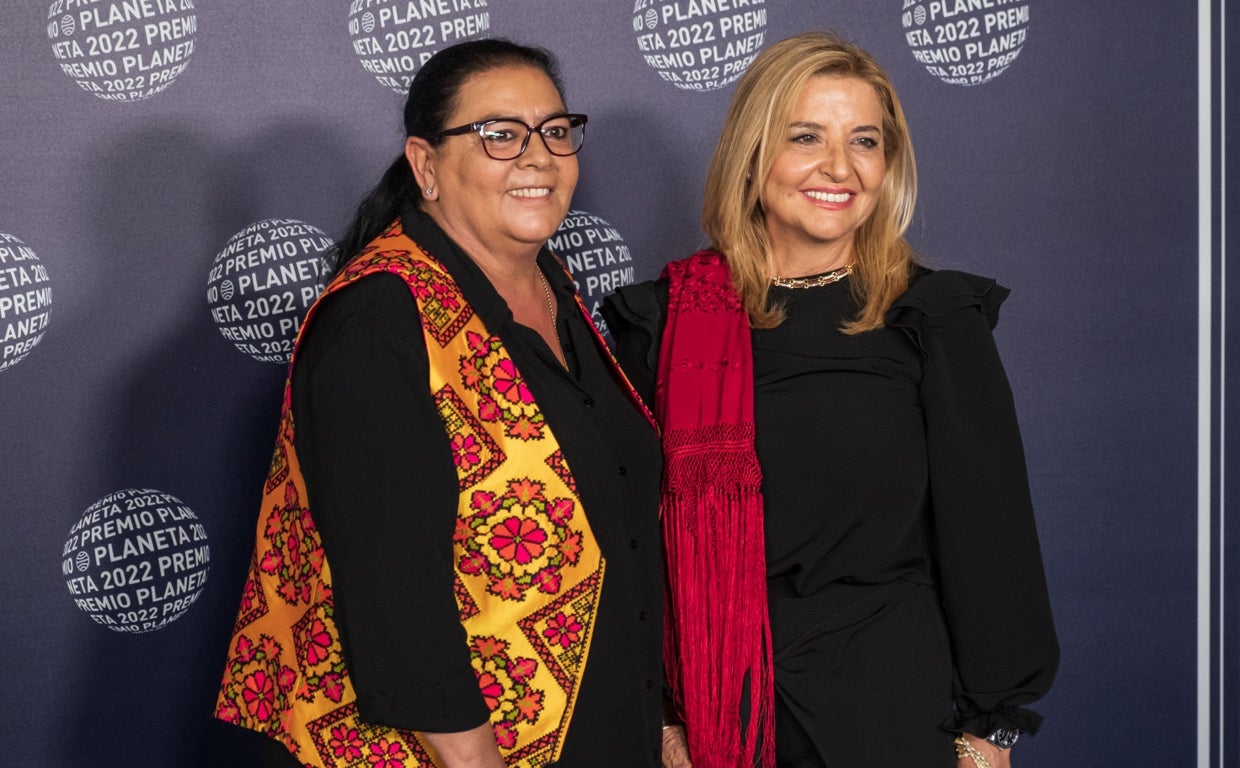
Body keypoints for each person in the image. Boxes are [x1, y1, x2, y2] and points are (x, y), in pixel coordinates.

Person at [602, 31, 1058, 768]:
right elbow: (628, 548)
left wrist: (991, 728)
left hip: (887, 712)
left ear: (889, 165)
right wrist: (660, 717)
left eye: (865, 141)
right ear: (753, 157)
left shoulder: (931, 318)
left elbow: (991, 535)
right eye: (806, 136)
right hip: (715, 715)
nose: (839, 167)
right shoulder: (662, 323)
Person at [214, 39, 664, 768]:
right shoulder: (379, 322)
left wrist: (659, 722)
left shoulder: (554, 287)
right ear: (426, 165)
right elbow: (394, 597)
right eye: (499, 134)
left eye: (555, 131)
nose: (538, 156)